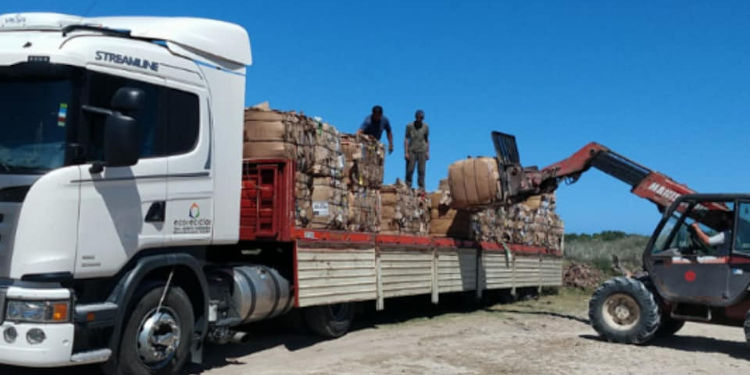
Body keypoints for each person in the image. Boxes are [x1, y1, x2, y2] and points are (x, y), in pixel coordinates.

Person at [404, 109, 429, 189]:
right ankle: (408, 185)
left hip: (422, 150)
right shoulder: (409, 126)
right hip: (412, 150)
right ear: (415, 117)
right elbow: (406, 139)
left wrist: (427, 152)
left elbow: (427, 139)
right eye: (418, 117)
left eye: (421, 118)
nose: (419, 119)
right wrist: (406, 152)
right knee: (410, 170)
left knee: (421, 171)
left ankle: (421, 188)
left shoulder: (426, 127)